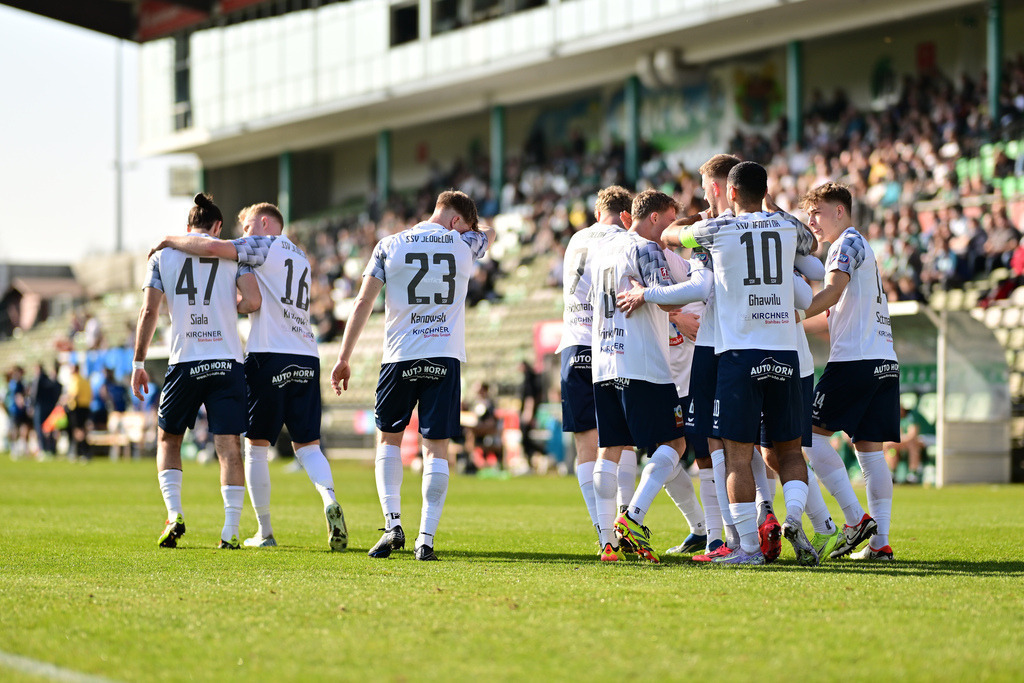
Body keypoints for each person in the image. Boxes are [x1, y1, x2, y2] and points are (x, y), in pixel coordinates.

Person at [152, 201, 349, 552]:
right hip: (307, 354)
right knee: (308, 445)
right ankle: (328, 498)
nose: (242, 236)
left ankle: (265, 531)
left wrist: (170, 239)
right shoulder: (301, 256)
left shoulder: (262, 244)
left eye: (246, 228)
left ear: (263, 223)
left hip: (268, 353)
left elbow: (213, 248)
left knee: (255, 448)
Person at [663, 161, 819, 566]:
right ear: (765, 191)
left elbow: (670, 234)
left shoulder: (718, 230)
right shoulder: (787, 229)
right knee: (789, 451)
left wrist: (694, 220)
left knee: (737, 452)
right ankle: (795, 518)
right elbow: (813, 253)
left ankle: (748, 547)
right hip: (784, 350)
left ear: (730, 193)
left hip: (739, 353)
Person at [331, 190, 493, 561]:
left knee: (388, 441)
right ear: (457, 222)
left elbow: (363, 302)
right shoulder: (465, 246)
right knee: (436, 448)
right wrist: (465, 231)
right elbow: (488, 233)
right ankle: (426, 539)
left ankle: (392, 525)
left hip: (400, 356)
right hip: (444, 356)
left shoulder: (389, 245)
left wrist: (343, 357)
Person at [132, 193, 262, 550]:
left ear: (188, 227)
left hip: (185, 359)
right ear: (218, 227)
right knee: (228, 447)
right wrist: (226, 305)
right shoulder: (233, 252)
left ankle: (174, 514)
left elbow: (148, 312)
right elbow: (253, 301)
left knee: (168, 440)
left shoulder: (162, 256)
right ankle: (231, 530)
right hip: (226, 361)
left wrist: (139, 362)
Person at [800, 181, 899, 561]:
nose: (812, 221)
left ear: (839, 210)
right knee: (871, 453)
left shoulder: (846, 243)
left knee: (808, 436)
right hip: (883, 362)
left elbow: (831, 294)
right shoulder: (860, 246)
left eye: (818, 212)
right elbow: (831, 314)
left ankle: (855, 519)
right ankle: (880, 543)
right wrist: (790, 324)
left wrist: (787, 312)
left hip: (854, 362)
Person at [589, 188, 686, 564]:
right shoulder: (645, 247)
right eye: (671, 219)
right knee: (674, 444)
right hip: (642, 362)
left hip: (605, 362)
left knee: (610, 450)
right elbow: (672, 298)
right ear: (657, 217)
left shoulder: (602, 253)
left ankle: (608, 541)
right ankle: (633, 517)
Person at [553, 185, 632, 540]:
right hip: (610, 345)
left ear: (598, 213)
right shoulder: (625, 240)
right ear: (625, 214)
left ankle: (604, 535)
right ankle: (626, 521)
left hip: (573, 345)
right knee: (620, 439)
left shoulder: (575, 240)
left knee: (586, 444)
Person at [63, 363, 92, 461]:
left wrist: (64, 400)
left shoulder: (76, 380)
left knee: (78, 431)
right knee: (81, 430)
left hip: (77, 408)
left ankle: (84, 451)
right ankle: (78, 451)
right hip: (85, 407)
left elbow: (74, 394)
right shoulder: (84, 380)